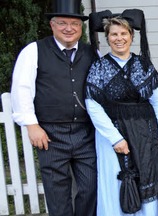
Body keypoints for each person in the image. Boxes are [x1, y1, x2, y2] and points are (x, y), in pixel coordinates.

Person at [10, 0, 97, 215]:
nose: (69, 29)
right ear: (52, 25)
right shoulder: (34, 50)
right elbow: (21, 88)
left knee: (90, 187)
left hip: (86, 132)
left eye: (74, 24)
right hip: (50, 133)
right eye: (62, 23)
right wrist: (32, 125)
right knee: (57, 191)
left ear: (81, 28)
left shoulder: (90, 52)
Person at [85, 12, 158, 215]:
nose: (119, 38)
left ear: (131, 36)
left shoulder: (144, 65)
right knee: (117, 179)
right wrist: (115, 139)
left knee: (148, 176)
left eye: (123, 33)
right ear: (107, 38)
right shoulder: (99, 67)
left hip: (145, 134)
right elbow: (93, 105)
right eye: (114, 34)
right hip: (113, 135)